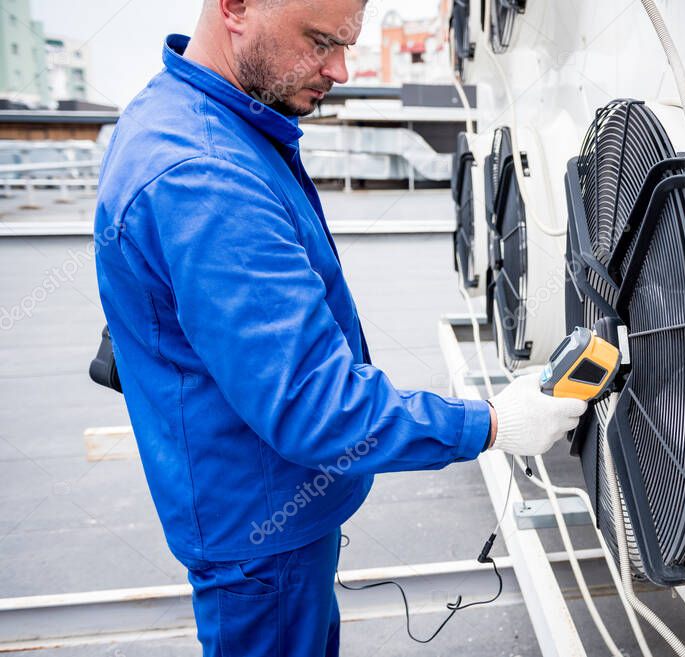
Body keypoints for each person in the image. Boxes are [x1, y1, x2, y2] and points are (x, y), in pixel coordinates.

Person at [92, 1, 586, 654]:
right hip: (263, 538)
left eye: (346, 44)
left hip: (258, 507)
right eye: (321, 41)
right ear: (236, 7)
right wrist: (494, 422)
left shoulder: (188, 115)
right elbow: (315, 408)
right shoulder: (206, 176)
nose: (342, 70)